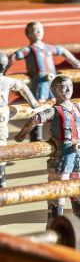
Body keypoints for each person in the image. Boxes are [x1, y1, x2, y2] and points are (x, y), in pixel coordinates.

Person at [17, 74, 80, 221]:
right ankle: (56, 222)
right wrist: (22, 134)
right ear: (54, 90)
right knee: (58, 190)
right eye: (63, 87)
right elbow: (35, 119)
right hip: (62, 158)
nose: (68, 89)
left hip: (78, 157)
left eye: (70, 86)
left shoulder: (78, 107)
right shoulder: (55, 111)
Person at [12, 20, 80, 140]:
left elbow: (62, 50)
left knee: (56, 103)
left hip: (53, 81)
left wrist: (74, 61)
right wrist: (3, 69)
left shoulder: (49, 48)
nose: (38, 32)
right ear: (28, 34)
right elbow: (14, 56)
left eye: (40, 29)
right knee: (39, 106)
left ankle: (56, 131)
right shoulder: (29, 49)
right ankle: (36, 135)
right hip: (40, 82)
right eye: (35, 30)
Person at [0, 50, 40, 187]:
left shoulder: (5, 81)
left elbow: (22, 86)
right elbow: (22, 86)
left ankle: (1, 176)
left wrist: (33, 102)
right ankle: (1, 176)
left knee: (1, 143)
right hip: (2, 115)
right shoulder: (6, 81)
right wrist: (33, 102)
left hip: (2, 116)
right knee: (1, 142)